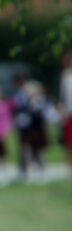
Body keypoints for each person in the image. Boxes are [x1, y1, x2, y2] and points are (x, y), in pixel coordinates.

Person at [59, 48, 72, 176]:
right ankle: (69, 168)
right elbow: (63, 96)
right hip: (69, 113)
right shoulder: (65, 76)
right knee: (69, 142)